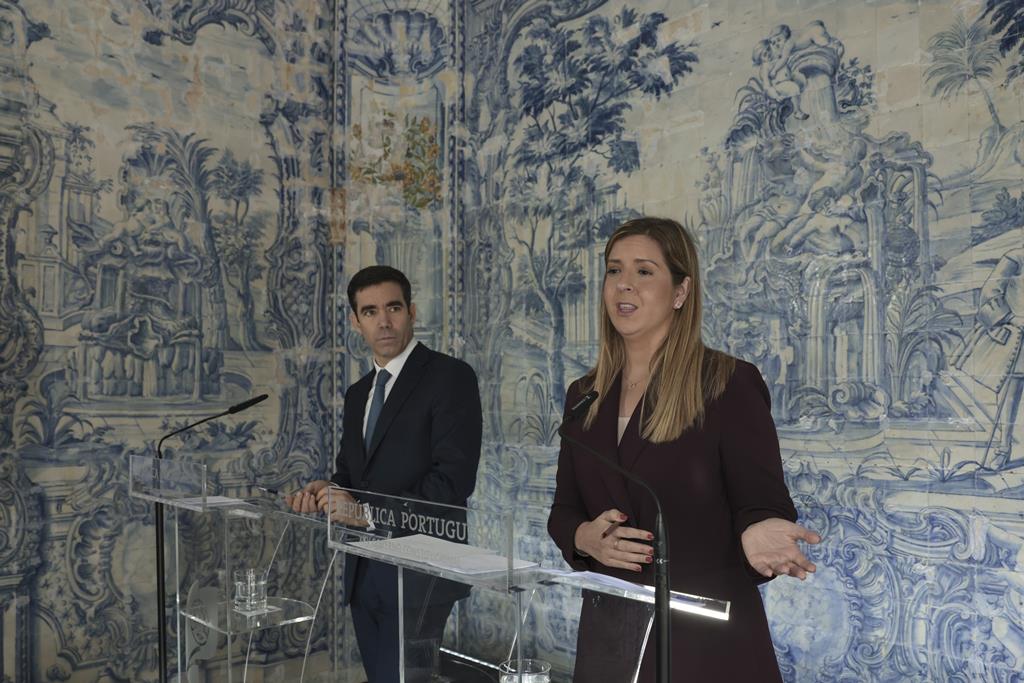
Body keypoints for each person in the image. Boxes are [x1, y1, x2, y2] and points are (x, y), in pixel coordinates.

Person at [548, 217, 821, 682]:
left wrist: (760, 530)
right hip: (611, 637)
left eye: (644, 271)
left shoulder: (727, 383)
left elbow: (761, 503)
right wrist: (582, 538)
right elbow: (564, 510)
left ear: (681, 291)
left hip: (702, 640)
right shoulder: (584, 395)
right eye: (614, 270)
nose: (624, 284)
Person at [286, 265, 483, 682]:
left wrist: (366, 514)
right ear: (355, 322)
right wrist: (327, 490)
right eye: (370, 311)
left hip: (421, 574)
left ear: (411, 311)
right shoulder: (358, 393)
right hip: (364, 571)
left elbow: (452, 481)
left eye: (393, 308)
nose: (384, 321)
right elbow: (352, 476)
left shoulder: (450, 377)